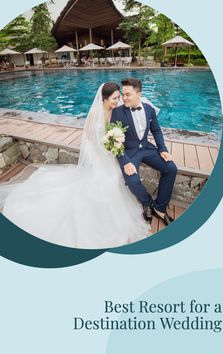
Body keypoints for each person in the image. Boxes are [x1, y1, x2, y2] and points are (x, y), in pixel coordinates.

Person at [1, 83, 150, 249]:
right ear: (105, 98)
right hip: (98, 153)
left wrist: (115, 145)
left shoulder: (116, 111)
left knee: (115, 176)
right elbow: (90, 137)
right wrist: (107, 148)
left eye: (118, 97)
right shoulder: (95, 113)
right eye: (115, 98)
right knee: (108, 179)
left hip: (109, 152)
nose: (118, 101)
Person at [111, 78, 177, 225]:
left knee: (171, 168)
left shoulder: (149, 109)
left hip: (147, 148)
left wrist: (163, 149)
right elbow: (114, 141)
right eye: (123, 94)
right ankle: (147, 203)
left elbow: (156, 131)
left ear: (139, 94)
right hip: (130, 151)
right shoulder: (117, 113)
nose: (124, 98)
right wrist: (125, 161)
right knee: (132, 180)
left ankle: (160, 208)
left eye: (128, 94)